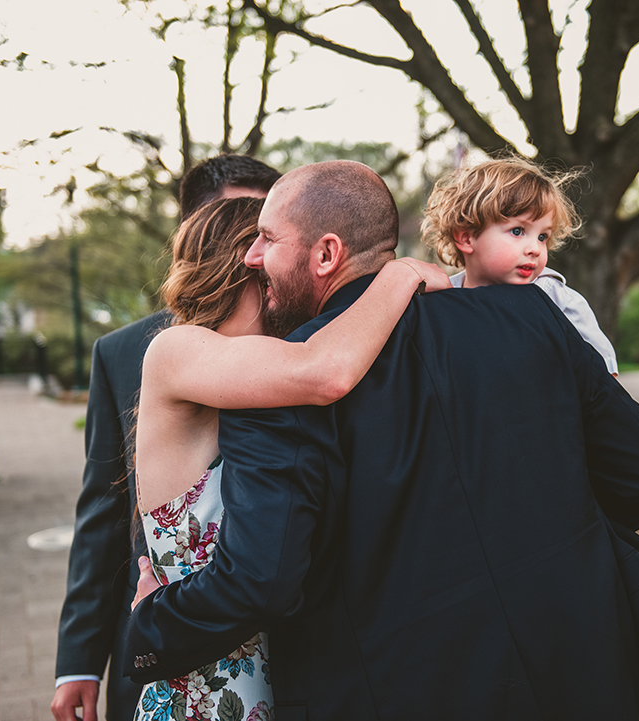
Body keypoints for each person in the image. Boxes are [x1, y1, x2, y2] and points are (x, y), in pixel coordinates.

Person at [125, 160, 639, 719]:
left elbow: (265, 580)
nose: (256, 256)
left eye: (269, 240)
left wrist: (147, 626)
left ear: (326, 253)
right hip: (584, 662)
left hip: (389, 692)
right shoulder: (531, 318)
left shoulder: (277, 390)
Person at [131, 196, 447, 720]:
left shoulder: (264, 377)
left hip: (293, 679)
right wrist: (397, 274)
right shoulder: (176, 351)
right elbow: (325, 371)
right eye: (271, 267)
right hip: (207, 686)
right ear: (241, 269)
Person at [52, 154, 281, 721]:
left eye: (268, 226)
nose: (254, 249)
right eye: (240, 223)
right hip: (168, 637)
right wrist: (79, 661)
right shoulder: (133, 351)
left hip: (287, 651)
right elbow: (103, 514)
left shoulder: (297, 328)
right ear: (195, 230)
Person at [422, 155, 618, 375]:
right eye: (518, 231)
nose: (535, 248)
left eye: (543, 237)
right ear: (467, 238)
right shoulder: (444, 300)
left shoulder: (556, 299)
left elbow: (603, 379)